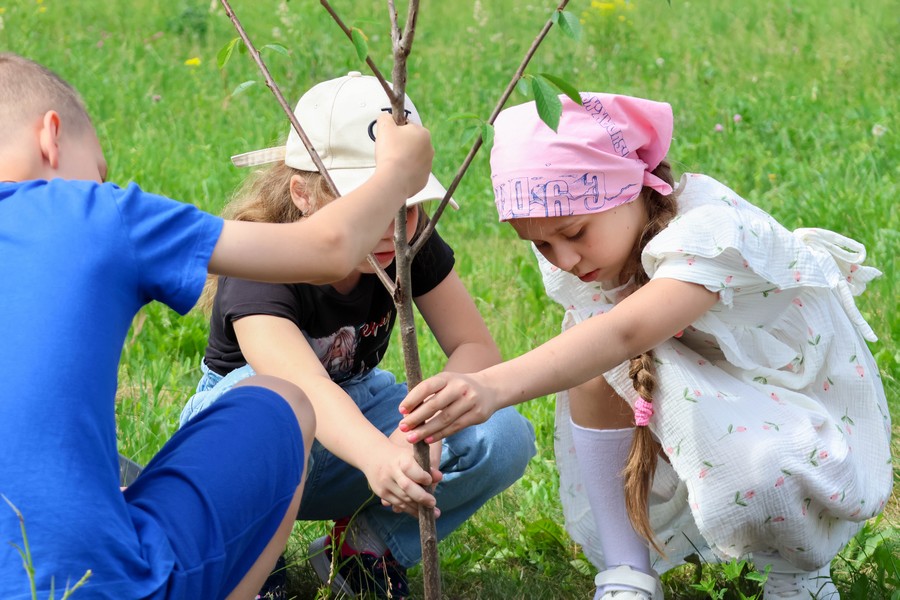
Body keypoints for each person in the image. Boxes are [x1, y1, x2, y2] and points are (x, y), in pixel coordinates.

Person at [398, 93, 893, 599]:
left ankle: (794, 566)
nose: (563, 258)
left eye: (573, 233)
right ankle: (627, 571)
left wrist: (490, 385)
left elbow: (624, 333)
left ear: (629, 189)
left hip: (786, 400)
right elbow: (604, 343)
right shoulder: (595, 248)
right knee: (589, 360)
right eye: (542, 244)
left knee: (767, 461)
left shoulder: (709, 232)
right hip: (709, 389)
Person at [0, 53, 436, 600]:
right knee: (282, 400)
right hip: (102, 583)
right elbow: (330, 248)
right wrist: (400, 172)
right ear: (52, 137)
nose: (100, 183)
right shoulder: (91, 211)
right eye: (100, 171)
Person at [177, 72, 537, 600]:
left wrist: (420, 431)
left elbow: (476, 348)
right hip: (259, 439)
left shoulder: (408, 241)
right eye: (370, 204)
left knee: (502, 432)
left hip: (358, 418)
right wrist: (377, 456)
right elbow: (302, 390)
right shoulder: (260, 260)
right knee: (267, 409)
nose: (394, 226)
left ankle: (364, 551)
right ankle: (250, 557)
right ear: (302, 193)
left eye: (408, 204)